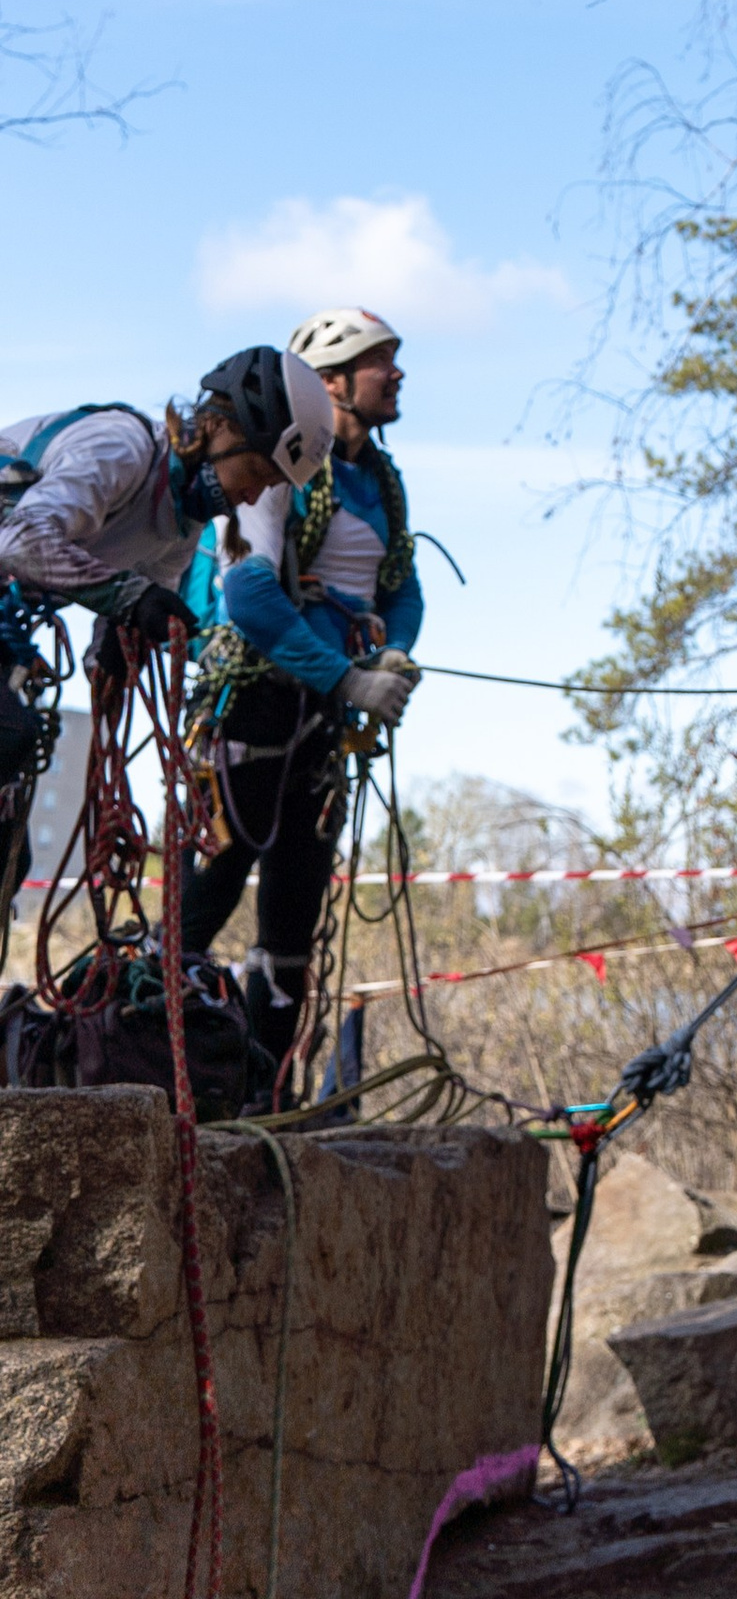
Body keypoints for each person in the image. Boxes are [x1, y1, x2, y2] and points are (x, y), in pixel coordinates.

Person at [181, 308, 426, 1098]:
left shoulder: (382, 481)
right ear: (331, 382)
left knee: (294, 916)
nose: (396, 374)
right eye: (380, 361)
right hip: (250, 701)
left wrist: (391, 652)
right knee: (207, 894)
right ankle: (144, 1066)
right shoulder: (284, 462)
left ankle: (265, 1093)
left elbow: (402, 585)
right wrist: (349, 677)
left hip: (324, 715)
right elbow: (248, 590)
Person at [0, 351, 338, 920]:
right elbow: (22, 541)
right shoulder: (122, 448)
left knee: (9, 849)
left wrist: (110, 655)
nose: (253, 498)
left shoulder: (180, 523)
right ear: (221, 429)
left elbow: (134, 601)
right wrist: (127, 601)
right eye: (257, 474)